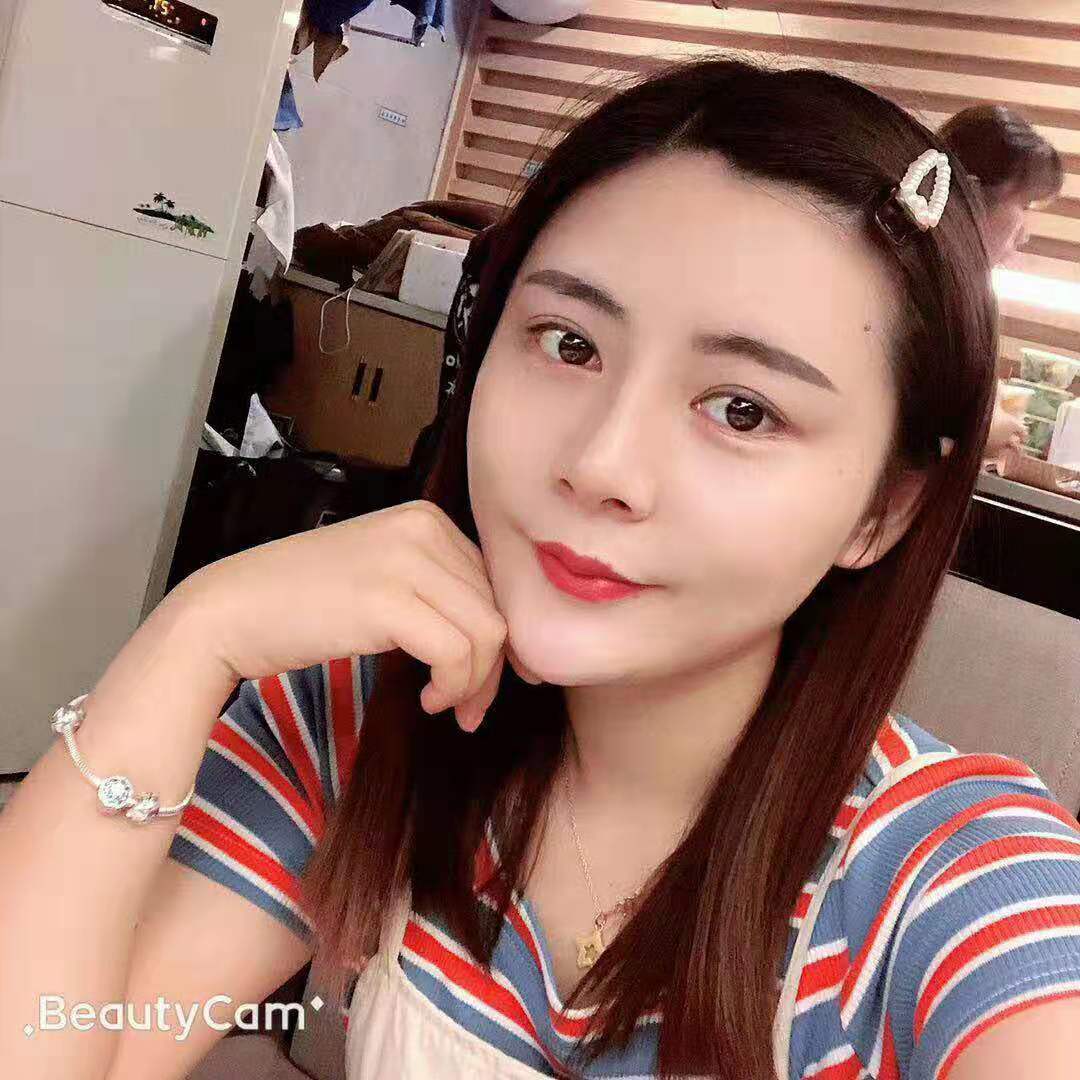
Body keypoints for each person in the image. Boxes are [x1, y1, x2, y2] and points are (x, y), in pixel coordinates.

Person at [3, 57, 1080, 1080]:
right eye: (570, 344)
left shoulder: (957, 886)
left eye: (743, 410)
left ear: (884, 511)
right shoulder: (359, 717)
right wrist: (189, 639)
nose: (601, 463)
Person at [938, 105, 1066, 463]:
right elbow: (886, 442)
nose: (1025, 233)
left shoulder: (964, 294)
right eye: (1024, 205)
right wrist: (975, 438)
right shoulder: (920, 296)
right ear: (972, 195)